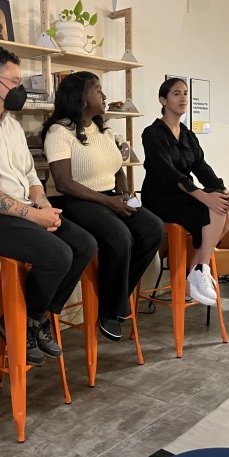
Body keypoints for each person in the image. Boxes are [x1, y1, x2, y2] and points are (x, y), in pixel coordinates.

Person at [0, 46, 97, 365]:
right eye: (14, 80)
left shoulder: (11, 125)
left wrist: (42, 205)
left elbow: (30, 175)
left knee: (84, 244)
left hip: (21, 209)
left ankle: (34, 320)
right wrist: (36, 216)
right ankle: (24, 321)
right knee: (57, 254)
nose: (20, 88)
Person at [41, 72, 164, 340]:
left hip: (106, 196)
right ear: (82, 97)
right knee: (119, 236)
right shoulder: (58, 131)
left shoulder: (104, 129)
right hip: (72, 200)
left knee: (153, 228)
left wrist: (122, 194)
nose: (104, 96)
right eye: (97, 90)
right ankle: (111, 309)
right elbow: (63, 183)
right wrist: (110, 202)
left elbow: (117, 168)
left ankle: (115, 297)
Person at [141, 78, 229, 306]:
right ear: (163, 100)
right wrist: (204, 196)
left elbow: (201, 166)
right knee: (211, 207)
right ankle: (200, 269)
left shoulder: (188, 135)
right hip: (159, 197)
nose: (183, 99)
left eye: (185, 93)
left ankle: (196, 269)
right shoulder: (152, 133)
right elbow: (168, 173)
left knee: (225, 213)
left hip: (184, 195)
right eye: (176, 94)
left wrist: (221, 190)